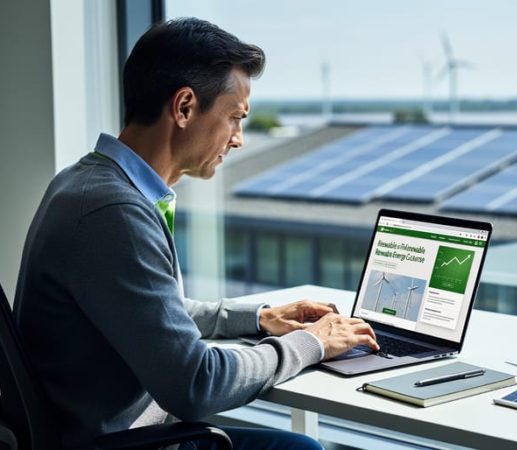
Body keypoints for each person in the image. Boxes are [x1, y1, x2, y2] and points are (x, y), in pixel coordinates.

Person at [13, 17, 378, 450]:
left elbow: (148, 309)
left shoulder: (83, 182)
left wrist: (259, 319)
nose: (239, 139)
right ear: (184, 107)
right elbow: (196, 385)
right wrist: (311, 342)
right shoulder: (112, 212)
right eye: (235, 118)